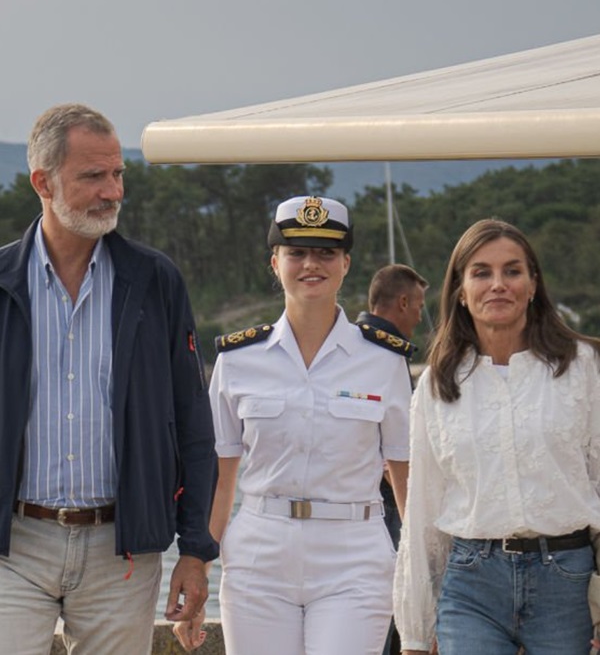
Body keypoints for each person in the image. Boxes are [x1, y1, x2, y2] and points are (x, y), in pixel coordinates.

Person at [0, 104, 218, 655]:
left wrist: (194, 549)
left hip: (122, 552)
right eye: (93, 176)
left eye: (118, 173)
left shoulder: (156, 281)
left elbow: (193, 424)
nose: (112, 191)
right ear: (43, 182)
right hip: (12, 548)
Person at [174, 195, 413, 655]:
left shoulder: (384, 361)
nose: (311, 264)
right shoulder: (238, 359)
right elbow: (221, 480)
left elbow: (403, 479)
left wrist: (421, 577)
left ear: (346, 264)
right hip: (260, 555)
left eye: (325, 253)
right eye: (296, 252)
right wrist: (199, 567)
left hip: (353, 556)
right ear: (275, 262)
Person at [394, 218, 600, 655]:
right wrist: (414, 630)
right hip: (471, 582)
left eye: (512, 271)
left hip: (567, 581)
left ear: (532, 284)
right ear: (461, 292)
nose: (498, 284)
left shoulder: (582, 368)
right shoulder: (436, 384)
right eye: (481, 272)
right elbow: (423, 511)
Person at [357, 264, 428, 655]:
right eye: (418, 305)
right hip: (383, 506)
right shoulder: (383, 351)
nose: (419, 314)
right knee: (386, 613)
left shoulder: (354, 344)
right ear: (402, 302)